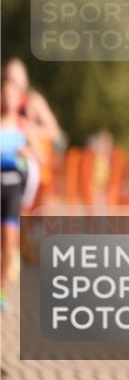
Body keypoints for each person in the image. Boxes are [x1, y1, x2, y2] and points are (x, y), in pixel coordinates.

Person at [1, 74, 44, 309]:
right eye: (3, 94)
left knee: (8, 244)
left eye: (11, 95)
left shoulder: (23, 126)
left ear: (19, 100)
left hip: (13, 187)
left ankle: (1, 290)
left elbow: (41, 156)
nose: (7, 98)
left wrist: (25, 152)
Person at [2, 58, 63, 212]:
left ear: (25, 81)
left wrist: (27, 131)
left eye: (15, 80)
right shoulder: (4, 102)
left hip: (30, 165)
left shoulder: (33, 102)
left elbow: (54, 131)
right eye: (8, 79)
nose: (11, 84)